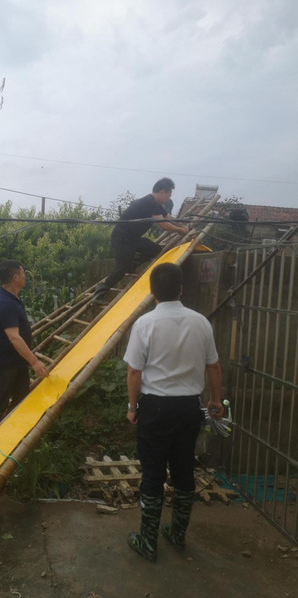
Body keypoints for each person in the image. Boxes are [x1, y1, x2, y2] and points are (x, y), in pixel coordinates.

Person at [123, 262, 223, 561]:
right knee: (183, 469)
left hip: (155, 408)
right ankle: (178, 535)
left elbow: (134, 372)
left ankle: (148, 542)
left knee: (153, 472)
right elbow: (213, 366)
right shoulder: (200, 323)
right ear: (181, 289)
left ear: (152, 291)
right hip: (189, 408)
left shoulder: (145, 324)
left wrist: (132, 408)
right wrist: (215, 400)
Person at [92, 178, 188, 305]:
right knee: (122, 268)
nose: (168, 198)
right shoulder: (150, 203)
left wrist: (183, 226)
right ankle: (99, 292)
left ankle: (130, 265)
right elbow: (164, 225)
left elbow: (169, 218)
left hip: (133, 238)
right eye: (169, 195)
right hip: (122, 238)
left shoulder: (155, 204)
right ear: (162, 192)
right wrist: (180, 230)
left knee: (154, 249)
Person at [0, 259, 49, 430]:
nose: (25, 276)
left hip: (18, 362)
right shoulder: (5, 303)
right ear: (15, 277)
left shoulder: (13, 299)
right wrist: (35, 362)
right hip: (5, 364)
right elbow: (14, 337)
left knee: (21, 399)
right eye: (22, 273)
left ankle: (11, 433)